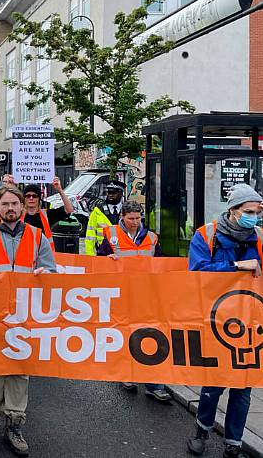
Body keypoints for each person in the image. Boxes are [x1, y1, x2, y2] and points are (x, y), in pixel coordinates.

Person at [0, 185, 55, 457]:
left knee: (20, 369)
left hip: (26, 316)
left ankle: (14, 422)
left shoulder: (38, 237)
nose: (11, 209)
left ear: (22, 207)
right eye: (5, 204)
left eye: (14, 204)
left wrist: (45, 273)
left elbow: (51, 270)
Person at [186, 184, 263, 458]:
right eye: (249, 211)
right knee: (214, 384)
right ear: (232, 210)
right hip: (216, 323)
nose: (254, 216)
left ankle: (234, 443)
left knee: (243, 390)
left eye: (258, 211)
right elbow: (196, 274)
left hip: (251, 325)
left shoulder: (260, 237)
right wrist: (235, 267)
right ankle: (201, 430)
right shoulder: (206, 235)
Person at [95, 200, 170, 403]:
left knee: (150, 335)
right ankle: (127, 375)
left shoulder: (152, 238)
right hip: (122, 294)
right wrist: (107, 259)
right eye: (131, 219)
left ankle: (154, 384)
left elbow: (160, 262)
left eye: (138, 218)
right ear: (122, 217)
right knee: (126, 334)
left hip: (146, 294)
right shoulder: (110, 236)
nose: (135, 222)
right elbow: (99, 261)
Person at [20, 178, 74, 248]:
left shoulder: (47, 215)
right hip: (23, 255)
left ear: (39, 198)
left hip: (43, 255)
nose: (31, 198)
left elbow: (69, 209)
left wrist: (60, 190)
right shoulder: (18, 215)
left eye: (34, 196)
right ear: (24, 198)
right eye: (28, 196)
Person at [84, 179, 126, 256]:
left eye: (114, 192)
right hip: (103, 252)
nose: (110, 195)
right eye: (109, 192)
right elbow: (90, 235)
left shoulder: (127, 210)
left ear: (121, 193)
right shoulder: (98, 211)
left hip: (123, 251)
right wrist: (90, 256)